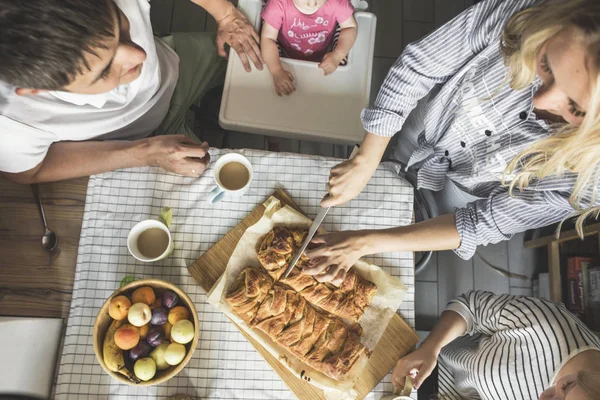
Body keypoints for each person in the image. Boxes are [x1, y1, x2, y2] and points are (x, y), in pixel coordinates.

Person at [298, 0, 600, 284]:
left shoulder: (591, 180)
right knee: (393, 159)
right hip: (426, 127)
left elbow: (478, 223)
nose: (541, 99)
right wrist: (366, 160)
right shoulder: (526, 12)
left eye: (575, 108)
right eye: (546, 64)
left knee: (426, 215)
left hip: (466, 191)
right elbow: (418, 67)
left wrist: (363, 243)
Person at [0, 0, 264, 184]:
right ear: (36, 90)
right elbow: (28, 172)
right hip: (137, 144)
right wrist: (144, 153)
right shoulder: (8, 122)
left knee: (262, 53)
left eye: (123, 30)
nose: (140, 55)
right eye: (104, 70)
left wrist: (226, 15)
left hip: (176, 65)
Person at [392, 290, 600, 399]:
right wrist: (431, 347)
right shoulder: (545, 325)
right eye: (566, 386)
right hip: (432, 365)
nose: (543, 397)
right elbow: (471, 307)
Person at [261, 0, 357, 96]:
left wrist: (338, 55)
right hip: (285, 52)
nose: (312, 3)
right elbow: (268, 39)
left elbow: (349, 27)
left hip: (327, 55)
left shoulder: (337, 2)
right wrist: (276, 71)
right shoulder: (277, 4)